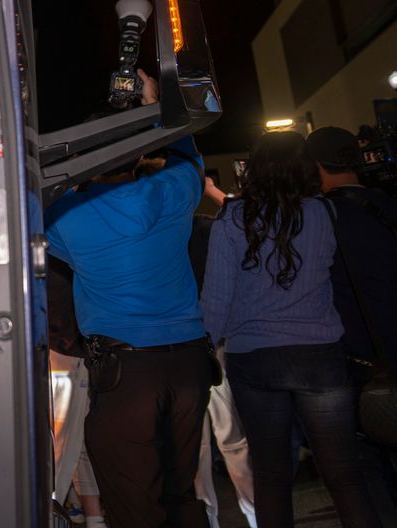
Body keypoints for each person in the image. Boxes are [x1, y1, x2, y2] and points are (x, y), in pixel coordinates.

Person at [46, 70, 212, 528]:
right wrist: (155, 108)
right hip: (190, 367)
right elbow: (188, 156)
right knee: (181, 495)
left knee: (134, 507)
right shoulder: (173, 191)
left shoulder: (66, 215)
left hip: (128, 375)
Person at [202, 131, 382, 528]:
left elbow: (216, 299)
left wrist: (205, 353)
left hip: (254, 359)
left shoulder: (233, 219)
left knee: (271, 477)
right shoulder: (324, 213)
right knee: (345, 476)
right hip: (320, 354)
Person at [307, 125, 397, 522]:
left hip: (360, 365)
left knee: (370, 476)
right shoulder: (386, 206)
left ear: (314, 166)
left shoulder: (319, 218)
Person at [192, 179, 258, 528]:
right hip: (208, 344)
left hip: (201, 345)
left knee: (209, 444)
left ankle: (244, 513)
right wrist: (214, 191)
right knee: (219, 441)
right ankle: (248, 513)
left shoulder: (205, 228)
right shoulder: (205, 227)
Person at [48, 256, 105, 527]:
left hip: (68, 345)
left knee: (69, 443)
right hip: (67, 345)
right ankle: (78, 516)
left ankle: (68, 515)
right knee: (68, 443)